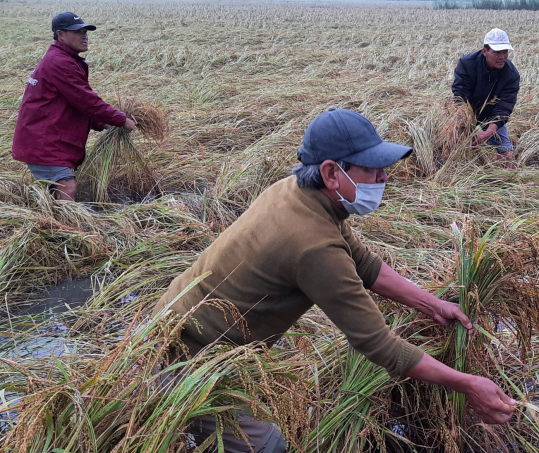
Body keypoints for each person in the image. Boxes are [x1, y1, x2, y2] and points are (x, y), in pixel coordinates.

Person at [153, 108, 516, 452]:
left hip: (180, 320)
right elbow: (378, 345)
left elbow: (364, 264)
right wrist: (468, 385)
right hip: (186, 359)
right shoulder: (312, 246)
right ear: (331, 173)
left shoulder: (298, 192)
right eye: (372, 168)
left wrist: (432, 304)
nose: (383, 177)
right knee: (266, 445)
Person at [12, 11, 136, 201]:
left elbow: (76, 101)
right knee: (66, 186)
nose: (84, 36)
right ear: (61, 35)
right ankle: (66, 229)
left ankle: (52, 221)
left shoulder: (64, 59)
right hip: (44, 141)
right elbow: (86, 100)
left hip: (44, 137)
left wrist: (100, 123)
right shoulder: (60, 62)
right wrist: (121, 119)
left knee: (54, 190)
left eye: (85, 31)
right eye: (77, 32)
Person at [451, 28, 520, 168]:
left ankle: (505, 182)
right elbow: (460, 93)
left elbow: (505, 106)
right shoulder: (467, 63)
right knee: (456, 146)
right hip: (466, 111)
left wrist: (489, 131)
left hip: (492, 115)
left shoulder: (511, 75)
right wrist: (465, 123)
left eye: (505, 51)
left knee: (506, 154)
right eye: (497, 52)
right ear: (485, 51)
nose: (502, 56)